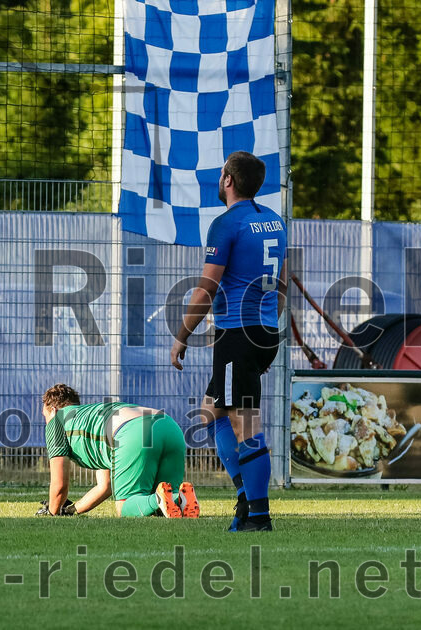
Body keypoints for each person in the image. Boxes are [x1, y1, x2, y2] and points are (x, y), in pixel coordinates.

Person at [169, 150, 287, 532]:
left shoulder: (226, 224)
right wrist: (268, 329)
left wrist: (181, 336)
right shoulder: (274, 221)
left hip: (238, 334)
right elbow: (282, 286)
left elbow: (205, 291)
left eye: (221, 174)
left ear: (228, 180)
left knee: (245, 425)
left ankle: (259, 515)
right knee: (211, 412)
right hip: (263, 332)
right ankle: (245, 495)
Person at [40, 383, 199, 518]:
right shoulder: (90, 417)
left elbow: (59, 485)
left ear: (53, 410)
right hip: (169, 426)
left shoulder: (57, 421)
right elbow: (105, 486)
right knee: (163, 508)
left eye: (45, 416)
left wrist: (53, 514)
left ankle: (158, 498)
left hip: (135, 432)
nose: (46, 422)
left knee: (125, 507)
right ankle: (181, 498)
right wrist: (70, 511)